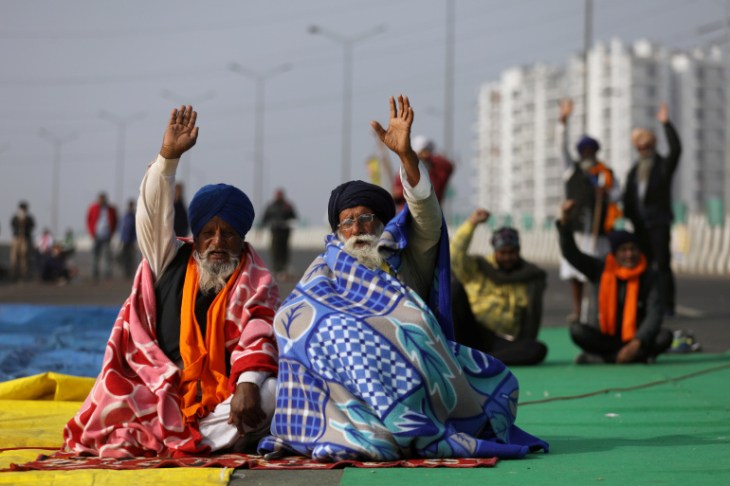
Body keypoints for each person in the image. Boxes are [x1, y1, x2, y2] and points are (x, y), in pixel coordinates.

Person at [259, 95, 547, 462]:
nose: (358, 228)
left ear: (382, 223)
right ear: (337, 230)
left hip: (417, 374)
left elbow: (427, 216)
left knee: (500, 379)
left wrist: (406, 157)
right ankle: (371, 428)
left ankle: (404, 424)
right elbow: (297, 319)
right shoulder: (326, 269)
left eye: (367, 218)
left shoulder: (404, 257)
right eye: (347, 221)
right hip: (346, 388)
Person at [64, 105, 280, 458]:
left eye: (227, 233)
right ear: (196, 236)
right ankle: (186, 440)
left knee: (274, 392)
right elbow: (151, 215)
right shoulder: (168, 258)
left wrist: (247, 384)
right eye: (208, 233)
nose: (217, 242)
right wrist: (168, 159)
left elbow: (260, 331)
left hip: (222, 398)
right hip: (157, 386)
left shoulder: (257, 280)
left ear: (241, 237)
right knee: (121, 402)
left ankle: (177, 441)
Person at [557, 200, 672, 364]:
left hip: (634, 338)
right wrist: (565, 221)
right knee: (577, 331)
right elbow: (571, 254)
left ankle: (603, 359)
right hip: (605, 338)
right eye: (624, 250)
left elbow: (654, 314)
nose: (629, 255)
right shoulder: (600, 269)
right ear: (615, 254)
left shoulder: (649, 277)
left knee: (664, 337)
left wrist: (636, 343)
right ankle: (621, 357)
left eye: (633, 249)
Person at [450, 208, 547, 366]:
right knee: (455, 289)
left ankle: (480, 360)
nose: (508, 257)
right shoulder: (478, 268)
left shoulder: (530, 276)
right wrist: (472, 223)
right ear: (495, 251)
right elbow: (454, 256)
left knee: (536, 349)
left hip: (501, 339)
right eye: (503, 252)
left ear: (518, 251)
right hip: (472, 331)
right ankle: (471, 356)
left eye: (512, 252)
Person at [558, 98, 621, 323]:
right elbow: (561, 147)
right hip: (577, 229)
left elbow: (617, 197)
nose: (587, 154)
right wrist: (563, 123)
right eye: (583, 150)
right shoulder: (570, 170)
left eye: (590, 150)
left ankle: (599, 310)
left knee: (598, 272)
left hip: (598, 233)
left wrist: (607, 190)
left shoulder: (606, 173)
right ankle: (577, 311)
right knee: (575, 272)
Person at [623, 102, 681, 316]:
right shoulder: (632, 173)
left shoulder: (662, 167)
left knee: (662, 265)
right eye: (640, 147)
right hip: (639, 225)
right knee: (642, 265)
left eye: (647, 146)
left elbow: (676, 150)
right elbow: (627, 199)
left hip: (658, 223)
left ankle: (667, 305)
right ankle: (645, 304)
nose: (644, 150)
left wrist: (666, 124)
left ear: (653, 146)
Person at [391, 134, 454, 211]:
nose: (425, 155)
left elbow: (448, 166)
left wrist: (428, 157)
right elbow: (396, 196)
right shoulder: (404, 172)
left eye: (427, 151)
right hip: (409, 216)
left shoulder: (438, 172)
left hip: (431, 216)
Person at [261, 188, 297, 280]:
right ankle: (276, 269)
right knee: (275, 250)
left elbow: (294, 216)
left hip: (285, 232)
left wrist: (287, 222)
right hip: (275, 232)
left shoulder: (287, 206)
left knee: (284, 250)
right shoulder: (271, 206)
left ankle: (283, 269)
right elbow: (265, 218)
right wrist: (261, 228)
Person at [86, 192, 118, 280]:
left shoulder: (111, 209)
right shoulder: (93, 208)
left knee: (108, 256)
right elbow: (88, 220)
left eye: (103, 199)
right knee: (95, 255)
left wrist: (112, 232)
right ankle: (94, 273)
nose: (102, 201)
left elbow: (115, 221)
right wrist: (91, 232)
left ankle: (108, 273)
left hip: (107, 236)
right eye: (100, 199)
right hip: (97, 235)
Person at [9, 201, 35, 281]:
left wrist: (25, 223)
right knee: (14, 257)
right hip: (16, 238)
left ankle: (24, 275)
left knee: (24, 256)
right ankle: (13, 274)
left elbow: (32, 226)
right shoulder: (15, 217)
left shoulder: (29, 218)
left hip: (25, 238)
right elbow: (12, 225)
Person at [118, 199, 137, 278]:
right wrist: (121, 239)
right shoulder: (125, 216)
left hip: (131, 240)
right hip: (125, 240)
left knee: (131, 258)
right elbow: (122, 228)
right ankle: (126, 272)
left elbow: (135, 229)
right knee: (124, 257)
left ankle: (130, 272)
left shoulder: (134, 216)